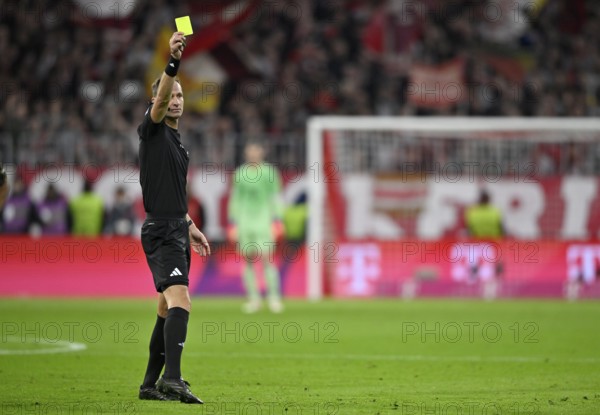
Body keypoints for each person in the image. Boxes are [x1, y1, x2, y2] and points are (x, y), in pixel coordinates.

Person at [137, 31, 210, 405]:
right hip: (160, 233)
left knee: (166, 309)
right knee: (182, 301)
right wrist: (173, 60)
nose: (176, 100)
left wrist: (191, 226)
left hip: (177, 229)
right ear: (157, 101)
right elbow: (162, 94)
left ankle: (150, 384)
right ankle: (173, 379)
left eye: (181, 95)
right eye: (171, 95)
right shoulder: (151, 132)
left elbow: (175, 196)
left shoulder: (179, 146)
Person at [228, 141, 284, 313]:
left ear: (261, 153)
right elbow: (235, 198)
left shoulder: (270, 172)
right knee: (249, 261)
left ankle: (274, 297)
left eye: (256, 152)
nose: (253, 155)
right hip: (245, 221)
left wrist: (278, 219)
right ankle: (254, 299)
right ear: (246, 154)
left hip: (264, 220)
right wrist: (232, 222)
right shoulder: (240, 173)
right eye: (250, 152)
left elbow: (276, 196)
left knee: (267, 258)